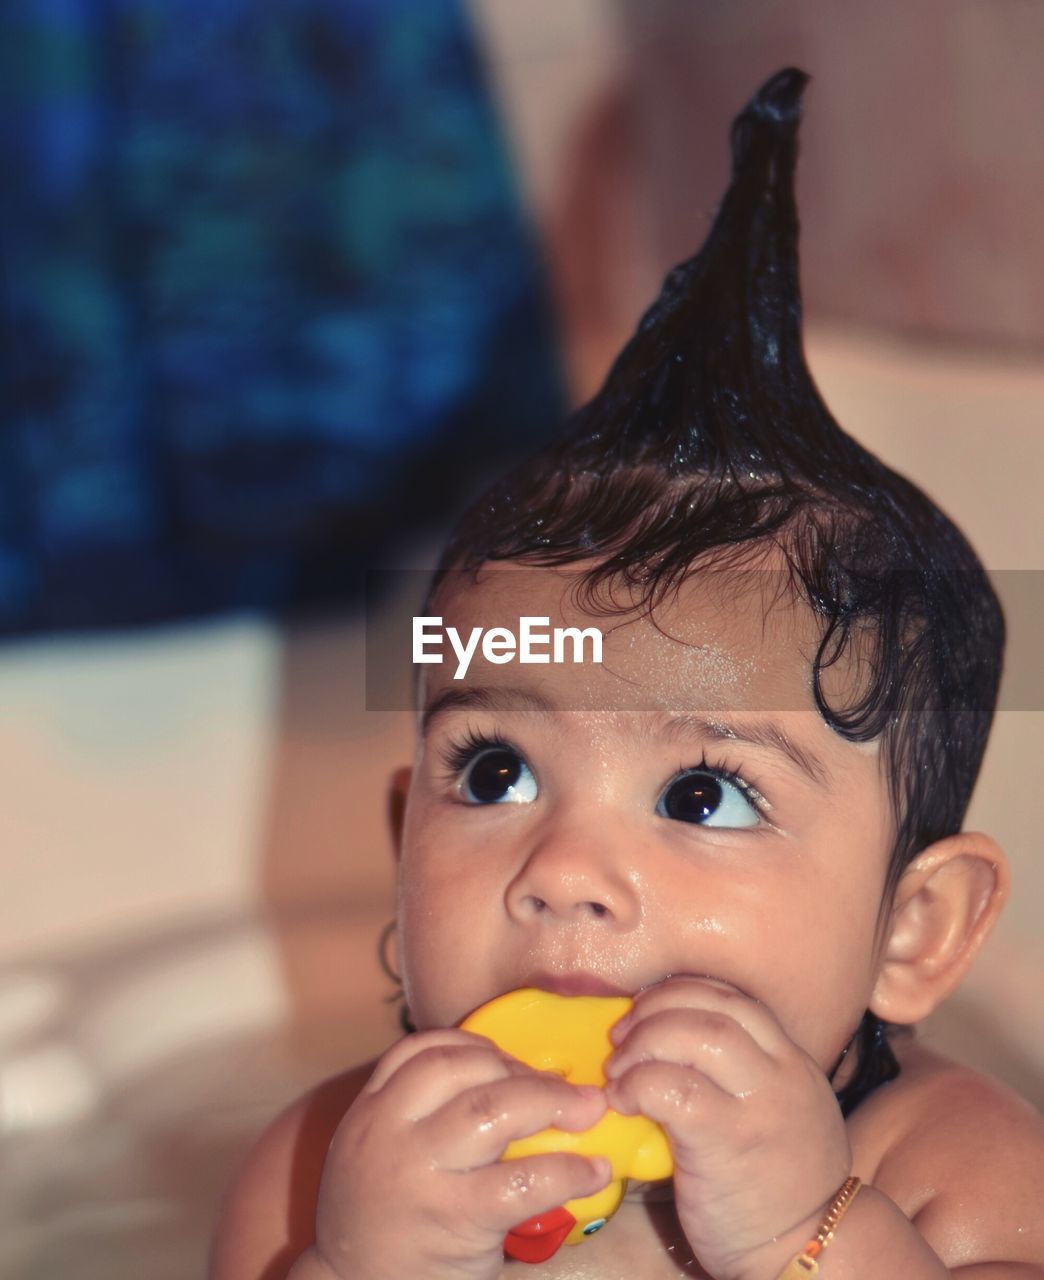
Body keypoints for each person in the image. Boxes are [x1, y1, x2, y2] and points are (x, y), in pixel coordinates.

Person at [209, 69, 1044, 1280]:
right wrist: (355, 1265)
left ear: (910, 928)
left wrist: (799, 1228)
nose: (565, 875)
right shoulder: (331, 1168)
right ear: (401, 846)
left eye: (703, 794)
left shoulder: (949, 1170)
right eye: (494, 770)